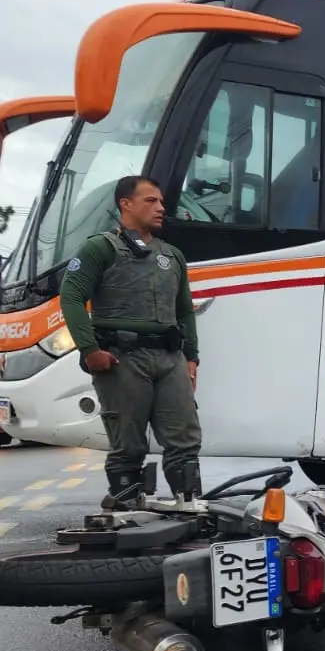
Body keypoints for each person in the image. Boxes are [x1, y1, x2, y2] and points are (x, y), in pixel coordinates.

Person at [59, 175, 202, 508]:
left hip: (170, 358)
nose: (161, 208)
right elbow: (71, 297)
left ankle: (188, 500)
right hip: (122, 357)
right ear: (125, 204)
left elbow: (184, 311)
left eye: (161, 202)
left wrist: (192, 357)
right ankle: (126, 501)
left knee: (184, 435)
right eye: (150, 201)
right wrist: (90, 350)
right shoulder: (99, 247)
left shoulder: (172, 255)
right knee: (128, 440)